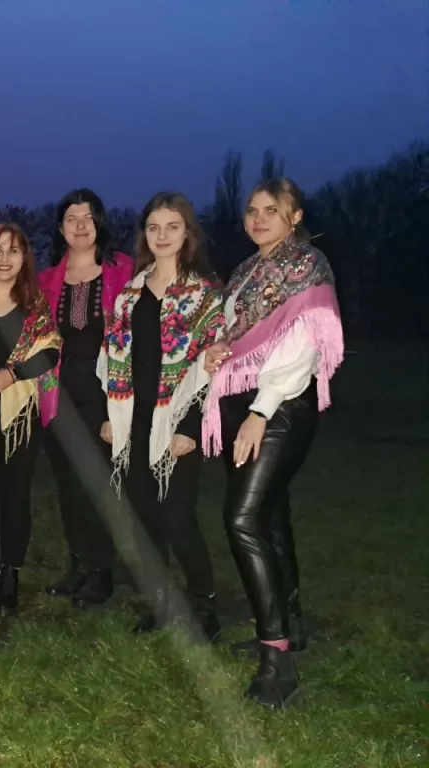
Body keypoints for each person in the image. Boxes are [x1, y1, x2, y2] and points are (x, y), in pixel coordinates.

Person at [203, 178, 344, 709]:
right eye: (252, 210)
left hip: (280, 406)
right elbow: (234, 334)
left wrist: (260, 413)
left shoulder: (306, 265)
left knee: (242, 519)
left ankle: (277, 661)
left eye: (271, 210)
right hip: (243, 403)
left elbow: (300, 349)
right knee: (271, 516)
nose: (258, 219)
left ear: (295, 216)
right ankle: (292, 624)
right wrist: (216, 350)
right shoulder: (246, 271)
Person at [98, 193, 223, 641]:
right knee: (145, 519)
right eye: (154, 227)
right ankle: (161, 603)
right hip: (134, 420)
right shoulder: (130, 294)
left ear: (187, 233)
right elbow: (112, 358)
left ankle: (204, 604)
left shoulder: (204, 294)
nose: (162, 235)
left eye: (172, 226)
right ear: (144, 235)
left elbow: (213, 367)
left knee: (177, 517)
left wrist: (190, 427)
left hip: (178, 420)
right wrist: (112, 416)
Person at [37, 189, 135, 609]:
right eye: (71, 218)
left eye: (88, 217)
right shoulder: (46, 280)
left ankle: (101, 570)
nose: (80, 226)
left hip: (103, 390)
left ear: (100, 223)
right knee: (67, 483)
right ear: (61, 228)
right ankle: (79, 563)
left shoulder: (123, 270)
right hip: (57, 391)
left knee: (96, 482)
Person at [0, 224, 61, 616]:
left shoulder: (34, 303)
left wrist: (13, 374)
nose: (5, 258)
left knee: (16, 498)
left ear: (24, 258)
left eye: (14, 250)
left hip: (21, 415)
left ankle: (10, 575)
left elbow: (51, 351)